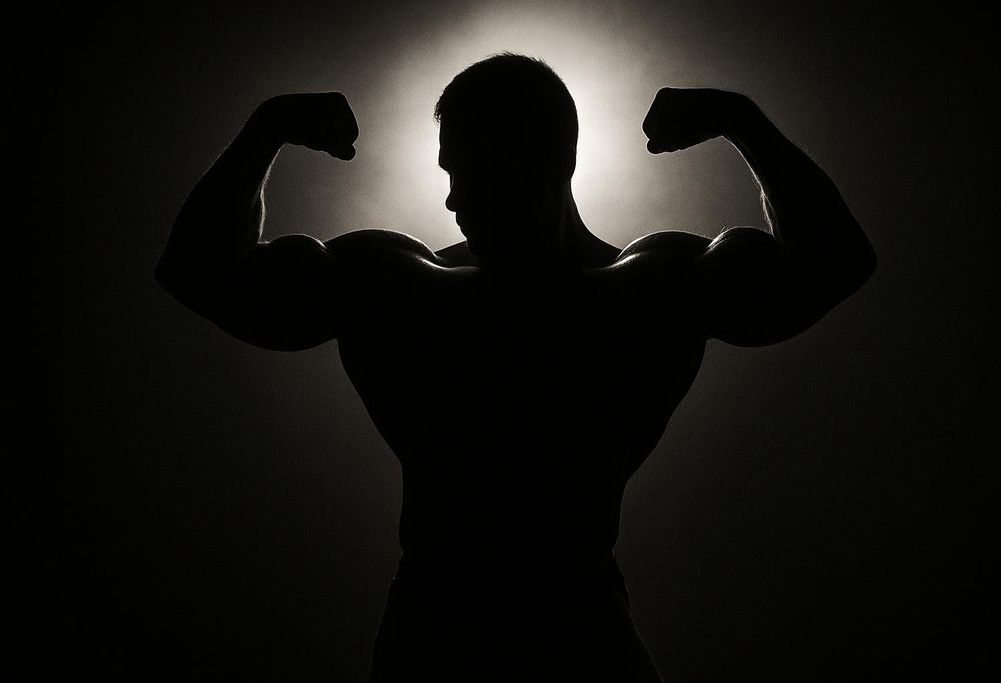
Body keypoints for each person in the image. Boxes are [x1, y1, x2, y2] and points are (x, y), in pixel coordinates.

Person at [155, 53, 875, 681]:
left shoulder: (646, 286)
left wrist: (741, 117)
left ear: (548, 160)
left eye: (476, 171)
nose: (454, 198)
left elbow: (833, 264)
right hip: (455, 631)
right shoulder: (403, 283)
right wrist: (266, 126)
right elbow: (199, 274)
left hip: (553, 624)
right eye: (450, 172)